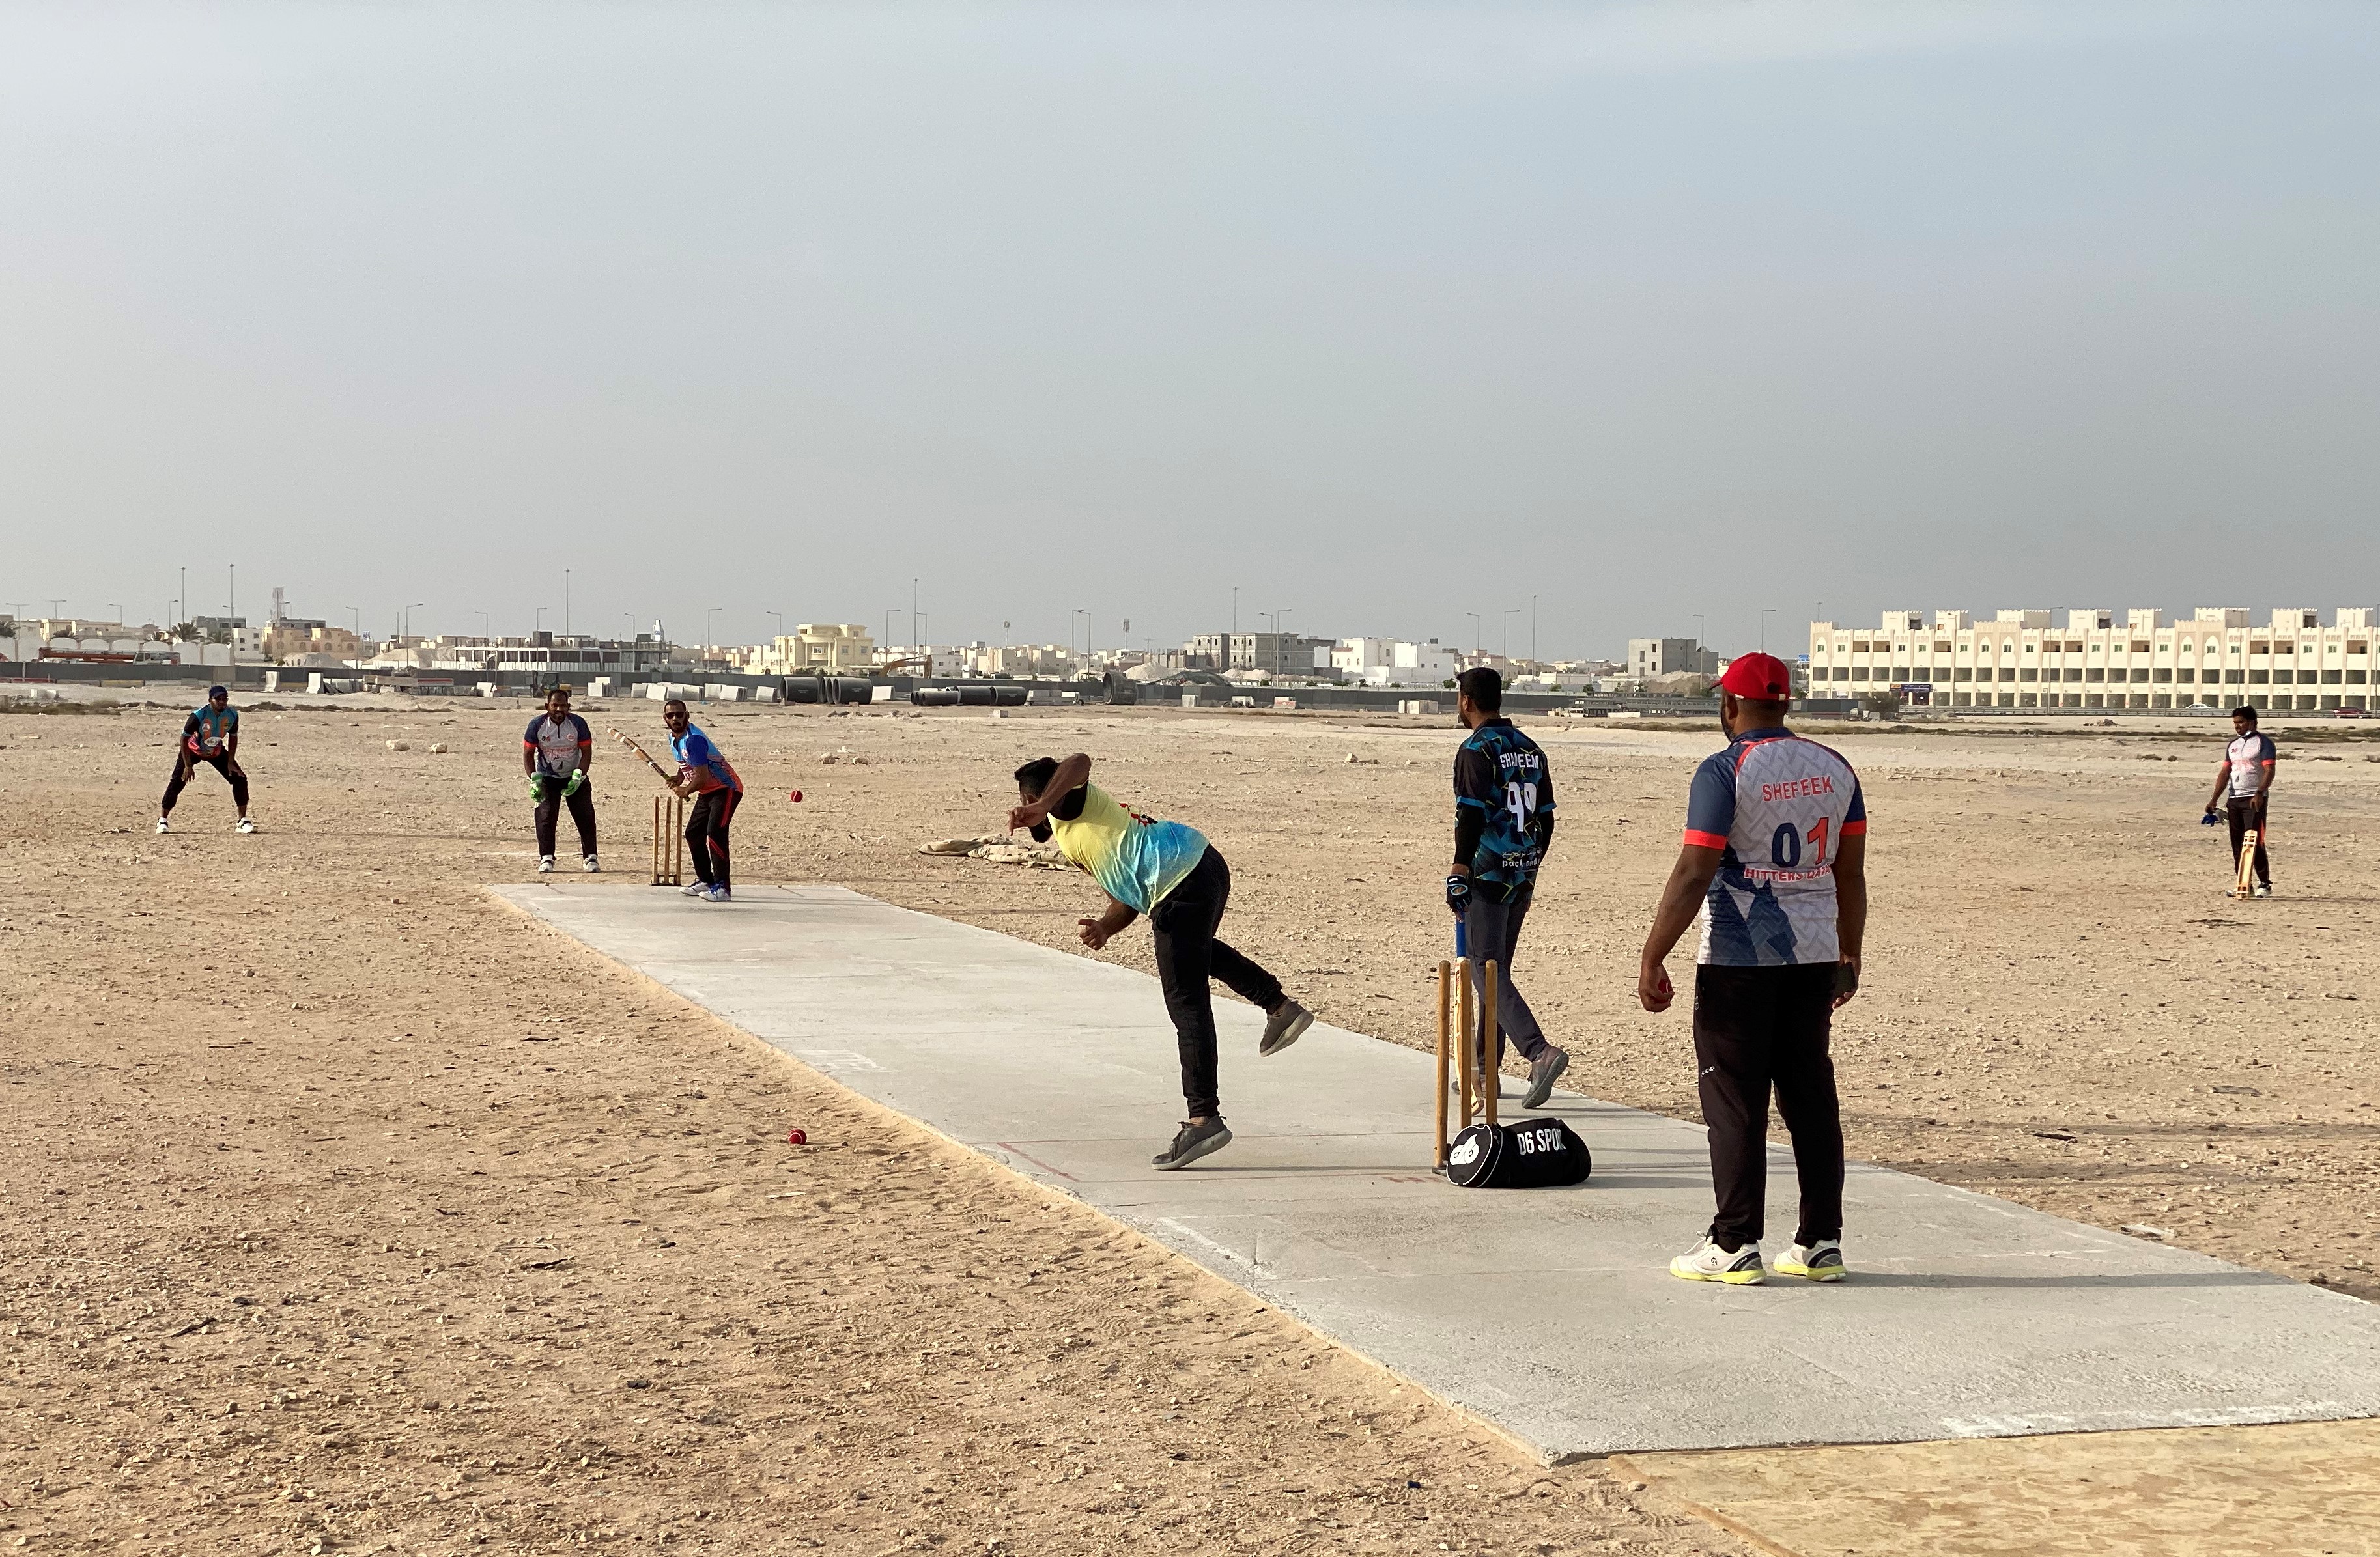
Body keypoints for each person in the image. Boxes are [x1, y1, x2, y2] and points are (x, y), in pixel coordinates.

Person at [1636, 652, 1866, 1287]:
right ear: (1785, 703)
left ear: (1731, 704)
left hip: (1740, 957)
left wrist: (1654, 953)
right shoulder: (1836, 766)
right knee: (1809, 1096)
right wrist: (1850, 953)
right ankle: (1821, 1241)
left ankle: (1735, 1241)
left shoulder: (1723, 770)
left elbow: (1695, 869)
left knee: (1734, 1097)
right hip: (1814, 953)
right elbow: (1850, 873)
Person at [1008, 753, 1313, 1170]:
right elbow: (1126, 893)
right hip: (1201, 865)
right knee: (1194, 953)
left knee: (1186, 1000)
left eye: (1029, 800)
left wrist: (1044, 803)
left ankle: (1204, 1118)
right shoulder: (1071, 836)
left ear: (1046, 795)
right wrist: (1105, 927)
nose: (1025, 809)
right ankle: (1279, 1006)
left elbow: (1080, 761)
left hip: (1179, 883)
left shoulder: (1073, 801)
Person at [1445, 666, 1571, 1109]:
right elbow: (1547, 818)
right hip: (1521, 872)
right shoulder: (1531, 749)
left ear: (1466, 702)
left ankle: (1539, 1052)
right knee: (1496, 973)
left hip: (1488, 873)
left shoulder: (1476, 749)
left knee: (1484, 969)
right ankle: (1484, 1071)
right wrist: (1531, 868)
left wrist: (1460, 866)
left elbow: (1471, 814)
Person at [662, 698, 742, 903]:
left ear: (687, 716)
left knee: (716, 833)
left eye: (679, 715)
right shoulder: (674, 738)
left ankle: (723, 887)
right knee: (693, 833)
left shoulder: (694, 739)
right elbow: (687, 762)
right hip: (707, 792)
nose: (675, 719)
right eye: (670, 716)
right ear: (665, 719)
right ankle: (706, 880)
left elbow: (702, 777)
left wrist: (685, 790)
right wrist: (679, 778)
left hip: (726, 789)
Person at [523, 684, 599, 874]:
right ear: (547, 706)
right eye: (555, 705)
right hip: (548, 778)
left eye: (563, 706)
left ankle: (591, 857)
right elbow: (528, 754)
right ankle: (546, 858)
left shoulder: (578, 724)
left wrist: (579, 775)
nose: (559, 709)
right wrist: (534, 779)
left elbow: (586, 752)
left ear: (569, 707)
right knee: (545, 818)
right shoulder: (537, 725)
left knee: (585, 816)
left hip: (574, 776)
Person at [158, 684, 253, 834]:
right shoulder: (198, 716)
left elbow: (233, 737)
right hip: (193, 750)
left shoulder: (232, 715)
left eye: (224, 699)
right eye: (218, 699)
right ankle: (163, 821)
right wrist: (188, 766)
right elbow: (184, 739)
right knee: (177, 781)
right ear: (210, 700)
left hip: (215, 751)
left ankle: (242, 821)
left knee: (239, 778)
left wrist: (230, 762)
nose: (221, 702)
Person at [2203, 705, 2275, 898]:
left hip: (2254, 799)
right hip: (2234, 799)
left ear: (2252, 722)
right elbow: (2225, 772)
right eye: (2235, 723)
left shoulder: (2263, 743)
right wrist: (2214, 799)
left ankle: (2264, 884)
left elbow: (2269, 771)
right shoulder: (2233, 745)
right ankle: (2244, 883)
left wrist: (2260, 792)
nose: (2237, 726)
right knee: (2237, 843)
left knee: (2254, 841)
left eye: (2241, 722)